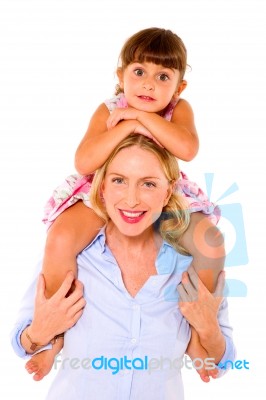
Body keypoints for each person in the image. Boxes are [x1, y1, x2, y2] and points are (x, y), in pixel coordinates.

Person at [30, 27, 225, 378]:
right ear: (121, 77)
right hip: (103, 192)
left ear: (178, 88)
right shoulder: (108, 109)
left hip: (162, 196)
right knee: (60, 238)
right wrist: (121, 125)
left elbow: (187, 148)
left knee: (211, 244)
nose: (149, 85)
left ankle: (200, 335)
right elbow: (85, 161)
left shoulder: (179, 109)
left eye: (162, 76)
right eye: (139, 72)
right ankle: (52, 338)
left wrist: (142, 118)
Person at [11, 135, 235, 400]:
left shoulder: (188, 265)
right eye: (119, 180)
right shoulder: (74, 255)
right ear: (102, 187)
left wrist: (209, 327)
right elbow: (22, 342)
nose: (131, 200)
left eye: (148, 184)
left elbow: (214, 365)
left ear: (168, 191)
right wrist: (38, 333)